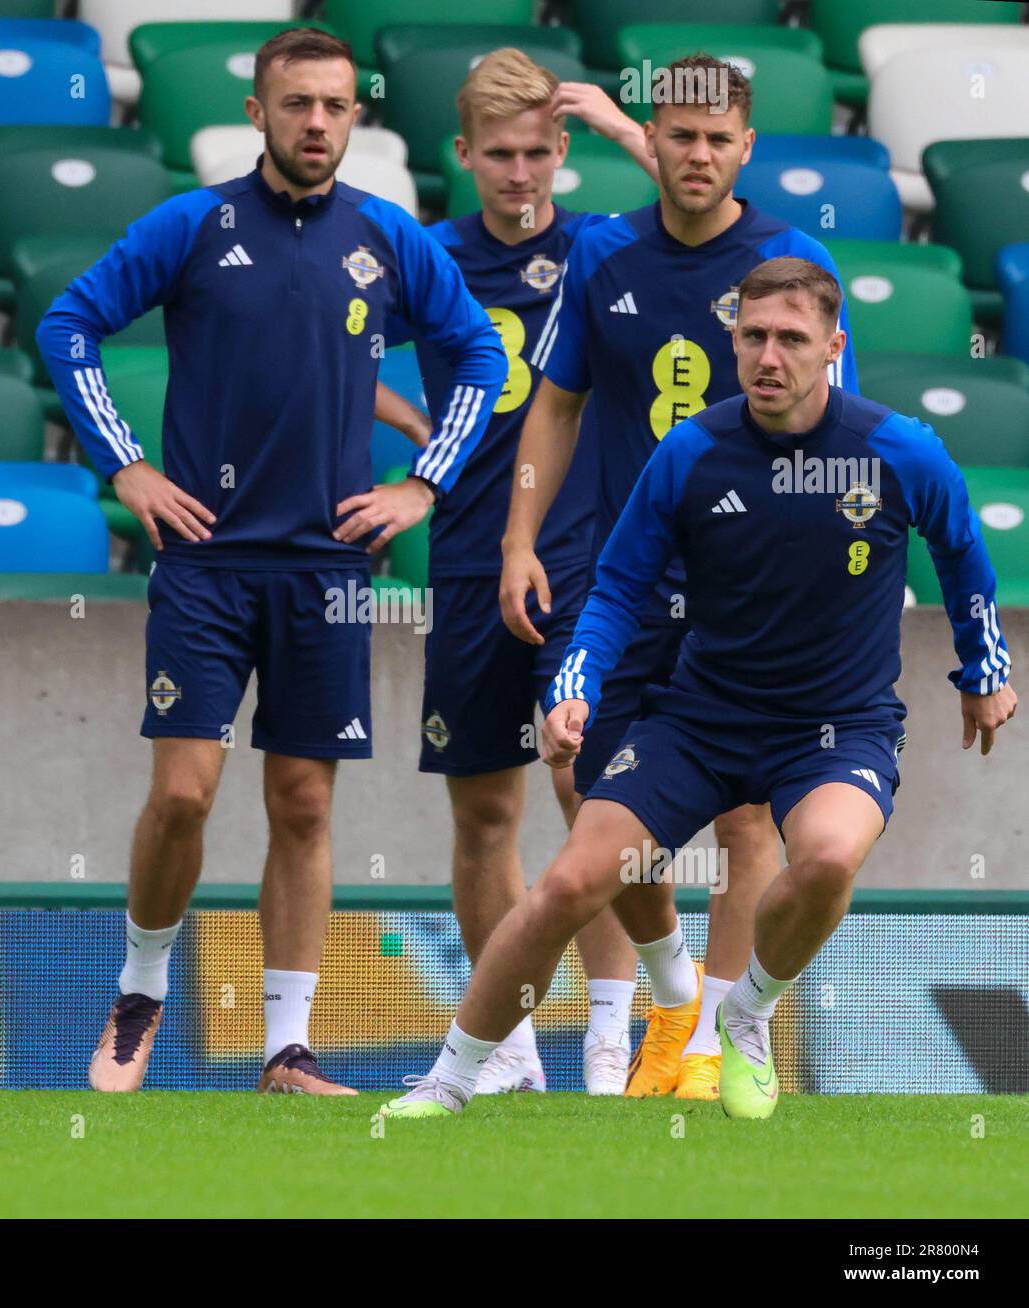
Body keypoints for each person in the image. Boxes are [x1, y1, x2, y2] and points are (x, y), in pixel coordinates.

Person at [380, 256, 1015, 1121]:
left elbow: (965, 558)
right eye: (753, 335)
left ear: (833, 346)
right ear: (733, 339)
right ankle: (446, 1081)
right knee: (570, 883)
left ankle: (742, 1013)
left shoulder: (899, 449)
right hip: (702, 722)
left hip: (838, 728)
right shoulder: (692, 451)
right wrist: (577, 684)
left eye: (792, 339)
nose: (768, 356)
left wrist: (983, 673)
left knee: (827, 857)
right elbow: (615, 588)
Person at [36, 28, 506, 1094]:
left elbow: (479, 354)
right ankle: (144, 984)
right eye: (295, 104)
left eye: (336, 106)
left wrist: (421, 484)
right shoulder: (194, 226)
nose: (316, 123)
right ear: (257, 112)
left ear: (355, 116)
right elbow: (70, 326)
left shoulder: (388, 236)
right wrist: (127, 468)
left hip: (331, 573)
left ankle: (286, 1049)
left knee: (302, 805)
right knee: (188, 794)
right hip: (204, 565)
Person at [499, 54, 859, 1100]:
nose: (696, 154)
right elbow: (554, 404)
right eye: (678, 135)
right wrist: (521, 538)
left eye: (717, 139)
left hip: (749, 588)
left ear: (745, 148)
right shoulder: (602, 253)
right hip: (624, 576)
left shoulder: (792, 261)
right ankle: (670, 987)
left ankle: (706, 1050)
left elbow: (849, 432)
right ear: (648, 140)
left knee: (748, 817)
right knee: (580, 780)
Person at [375, 48, 661, 1094]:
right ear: (463, 153)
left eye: (539, 151)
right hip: (464, 561)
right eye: (499, 153)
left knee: (591, 788)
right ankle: (509, 1048)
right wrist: (413, 434)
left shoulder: (601, 248)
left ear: (562, 152)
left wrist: (632, 129)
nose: (520, 173)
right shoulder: (429, 256)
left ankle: (611, 1038)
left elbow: (736, 233)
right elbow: (325, 335)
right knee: (485, 816)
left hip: (588, 557)